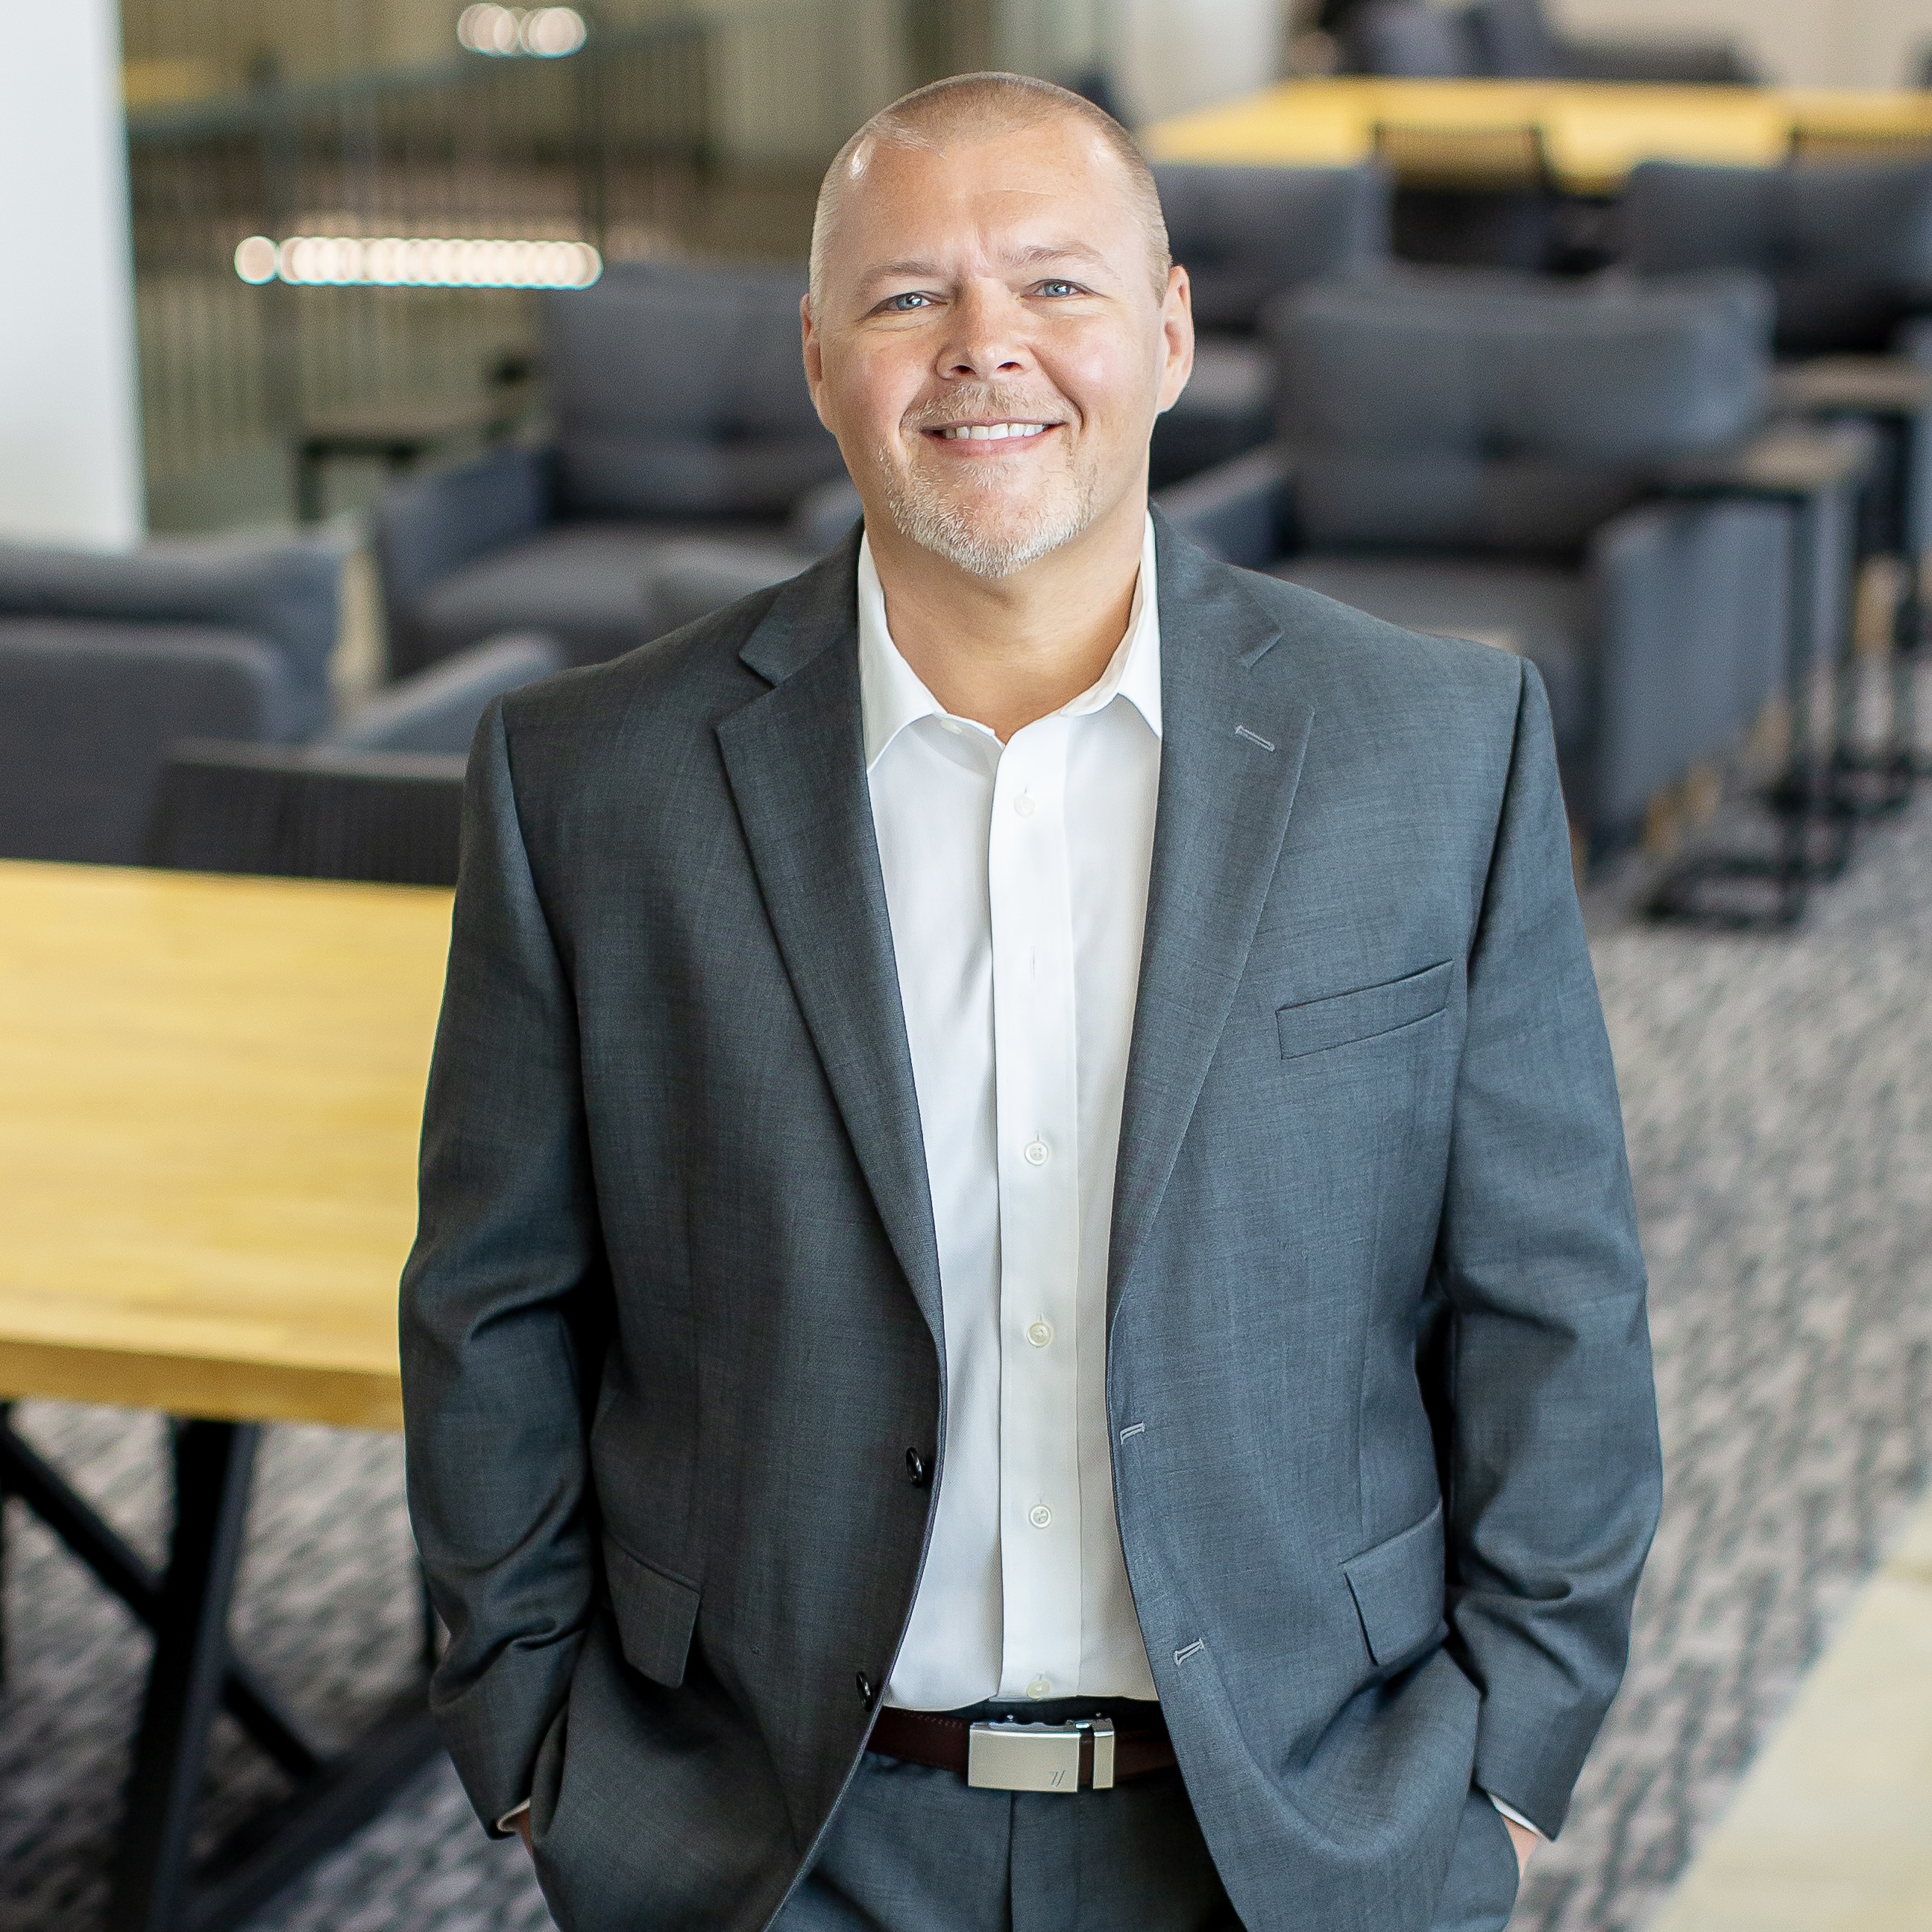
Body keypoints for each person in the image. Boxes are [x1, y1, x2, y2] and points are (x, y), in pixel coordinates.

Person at [400, 71, 1661, 1932]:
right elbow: (494, 1302)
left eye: (1057, 287)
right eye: (911, 295)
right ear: (820, 351)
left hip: (1304, 1830)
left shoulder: (1436, 746)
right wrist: (536, 1753)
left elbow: (1552, 1298)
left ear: (1167, 333)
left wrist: (1504, 1765)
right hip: (767, 1844)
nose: (986, 349)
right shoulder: (591, 780)